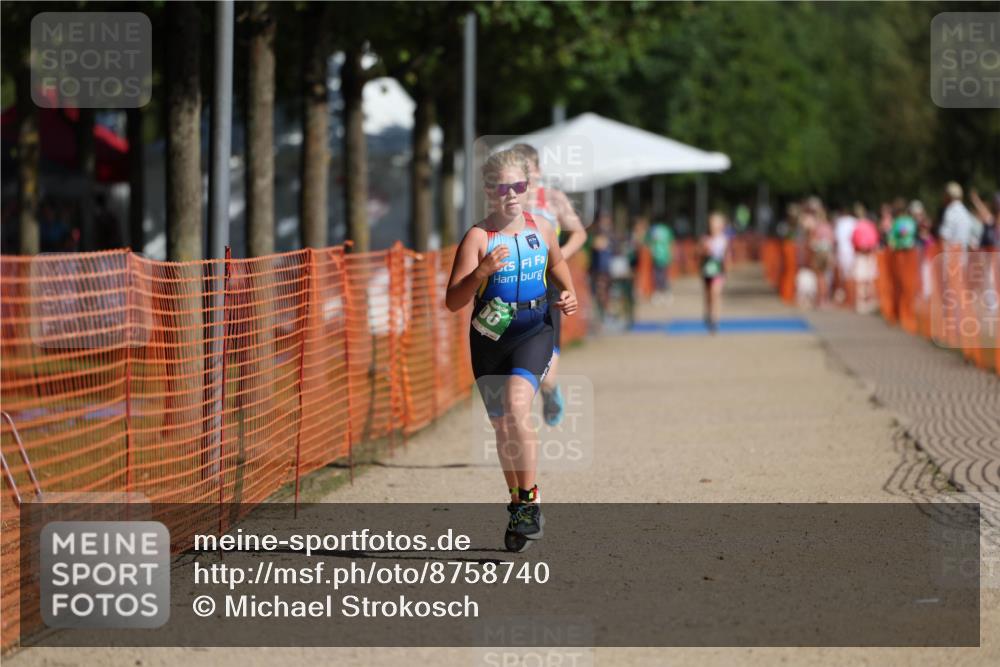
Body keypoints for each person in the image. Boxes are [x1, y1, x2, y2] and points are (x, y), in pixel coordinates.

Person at [445, 149, 577, 551]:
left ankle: (530, 500)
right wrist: (481, 272)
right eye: (502, 187)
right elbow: (453, 301)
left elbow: (557, 266)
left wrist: (569, 293)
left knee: (518, 407)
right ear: (489, 191)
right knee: (503, 426)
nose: (512, 194)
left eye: (519, 185)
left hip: (534, 329)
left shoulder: (543, 228)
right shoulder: (478, 237)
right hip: (488, 338)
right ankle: (518, 504)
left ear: (529, 187)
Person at [512, 143, 587, 426]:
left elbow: (579, 233)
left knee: (546, 375)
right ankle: (517, 418)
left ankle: (550, 390)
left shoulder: (553, 199)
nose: (525, 177)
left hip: (550, 282)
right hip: (518, 284)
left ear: (539, 170)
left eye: (528, 170)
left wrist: (559, 256)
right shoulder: (509, 200)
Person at [700, 211, 730, 332]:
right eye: (712, 223)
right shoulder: (705, 238)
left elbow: (727, 256)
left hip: (718, 270)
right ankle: (708, 313)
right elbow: (699, 254)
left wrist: (726, 271)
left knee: (715, 293)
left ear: (721, 225)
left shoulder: (724, 239)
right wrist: (704, 250)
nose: (713, 226)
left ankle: (715, 319)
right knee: (708, 295)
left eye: (716, 223)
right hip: (707, 269)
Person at [851, 205, 880, 314]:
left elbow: (853, 240)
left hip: (861, 255)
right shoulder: (871, 226)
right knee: (869, 280)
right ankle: (868, 302)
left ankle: (861, 303)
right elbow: (875, 240)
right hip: (869, 255)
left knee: (861, 281)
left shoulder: (857, 226)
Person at [940, 181, 981, 250]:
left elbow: (944, 237)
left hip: (951, 254)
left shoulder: (950, 211)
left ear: (948, 196)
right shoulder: (965, 212)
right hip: (963, 254)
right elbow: (972, 241)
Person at [832, 205, 857, 304]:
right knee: (851, 275)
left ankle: (847, 298)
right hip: (852, 250)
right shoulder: (854, 221)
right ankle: (851, 298)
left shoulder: (839, 222)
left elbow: (836, 238)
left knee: (844, 276)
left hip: (842, 251)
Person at [646, 217, 674, 298]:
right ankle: (666, 292)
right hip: (665, 255)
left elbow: (648, 241)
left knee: (657, 275)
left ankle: (658, 292)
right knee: (664, 274)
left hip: (656, 255)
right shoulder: (667, 230)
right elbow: (671, 242)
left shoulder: (654, 229)